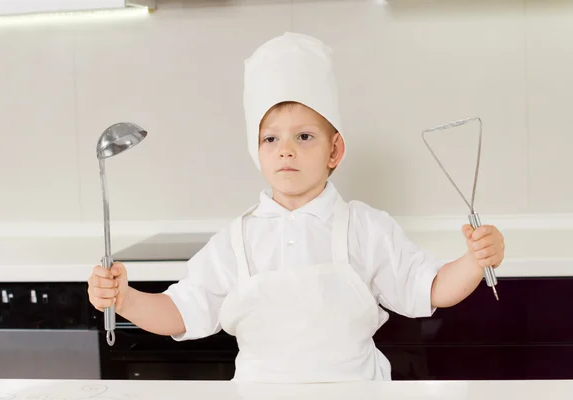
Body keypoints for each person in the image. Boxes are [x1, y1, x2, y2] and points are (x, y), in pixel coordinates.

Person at [87, 32, 505, 383]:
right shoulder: (236, 240)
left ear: (334, 150)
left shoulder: (365, 227)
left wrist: (473, 260)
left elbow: (428, 287)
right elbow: (180, 312)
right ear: (257, 150)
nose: (286, 149)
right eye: (271, 139)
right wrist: (124, 299)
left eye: (304, 136)